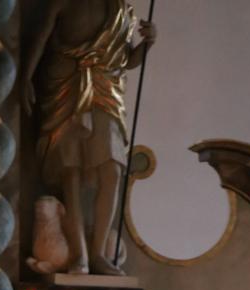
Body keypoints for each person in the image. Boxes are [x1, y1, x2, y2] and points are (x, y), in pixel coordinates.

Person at [23, 0, 156, 275]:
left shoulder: (120, 9)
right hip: (66, 88)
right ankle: (80, 256)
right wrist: (24, 77)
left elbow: (126, 59)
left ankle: (97, 255)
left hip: (105, 91)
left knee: (112, 172)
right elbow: (40, 39)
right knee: (69, 173)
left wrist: (148, 43)